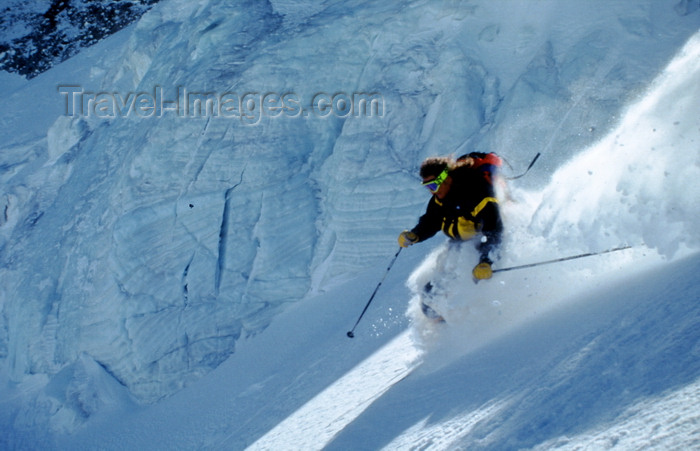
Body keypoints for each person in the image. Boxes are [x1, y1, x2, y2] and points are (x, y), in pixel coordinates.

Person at [398, 153, 503, 280]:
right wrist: (415, 234)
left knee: (475, 282)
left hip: (483, 246)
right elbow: (431, 221)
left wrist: (486, 261)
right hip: (459, 245)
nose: (432, 191)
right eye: (428, 187)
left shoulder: (477, 193)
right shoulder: (440, 198)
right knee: (431, 291)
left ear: (447, 178)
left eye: (433, 185)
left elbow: (495, 231)